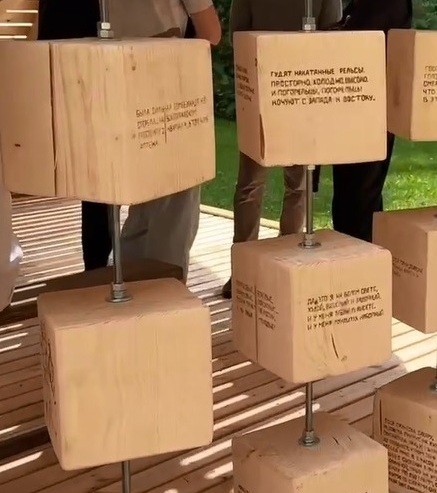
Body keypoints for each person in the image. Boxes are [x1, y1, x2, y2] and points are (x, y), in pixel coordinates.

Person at [221, 0, 343, 299]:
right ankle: (267, 266)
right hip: (282, 91)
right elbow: (334, 37)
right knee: (286, 186)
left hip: (286, 90)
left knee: (262, 186)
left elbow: (238, 34)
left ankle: (257, 269)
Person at [110, 0, 221, 281]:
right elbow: (211, 33)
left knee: (141, 213)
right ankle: (165, 298)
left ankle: (130, 292)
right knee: (174, 211)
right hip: (170, 94)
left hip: (122, 87)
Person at [37, 0, 112, 272]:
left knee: (95, 183)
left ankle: (96, 264)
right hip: (87, 64)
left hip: (71, 60)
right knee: (97, 181)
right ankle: (97, 264)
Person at [330, 0, 413, 243]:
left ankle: (360, 253)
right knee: (355, 194)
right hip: (362, 109)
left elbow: (361, 43)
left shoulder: (385, 4)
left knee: (359, 196)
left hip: (368, 111)